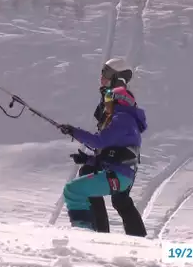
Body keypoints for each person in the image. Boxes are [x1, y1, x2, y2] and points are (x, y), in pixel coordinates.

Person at [58, 58, 147, 236]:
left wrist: (74, 131)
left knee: (115, 199)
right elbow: (111, 148)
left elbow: (100, 141)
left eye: (106, 74)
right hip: (121, 168)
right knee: (95, 178)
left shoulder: (121, 116)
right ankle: (101, 233)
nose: (101, 78)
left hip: (121, 171)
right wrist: (90, 159)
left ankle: (92, 233)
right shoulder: (120, 114)